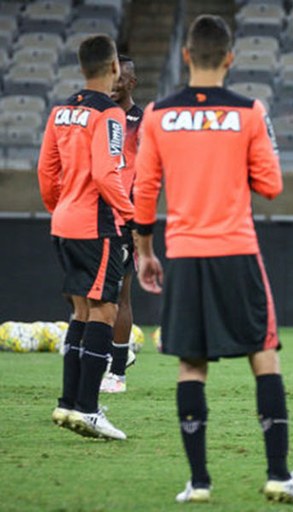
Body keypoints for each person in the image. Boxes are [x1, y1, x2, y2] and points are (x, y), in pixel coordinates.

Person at [133, 15, 293, 505]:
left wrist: (146, 252)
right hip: (236, 250)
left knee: (191, 364)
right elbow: (271, 185)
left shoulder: (157, 114)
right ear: (230, 58)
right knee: (264, 354)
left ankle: (198, 483)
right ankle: (278, 475)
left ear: (186, 56)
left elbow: (144, 191)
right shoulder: (249, 112)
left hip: (185, 253)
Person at [38, 34, 134, 440]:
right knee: (104, 312)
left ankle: (68, 404)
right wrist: (129, 216)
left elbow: (46, 171)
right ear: (113, 67)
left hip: (64, 222)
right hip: (97, 225)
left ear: (81, 68)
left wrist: (61, 208)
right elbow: (105, 173)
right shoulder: (109, 113)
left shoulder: (60, 111)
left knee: (81, 311)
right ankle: (89, 410)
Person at [100, 54, 143, 394]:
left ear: (132, 82)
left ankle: (116, 373)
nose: (114, 84)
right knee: (80, 294)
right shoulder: (100, 116)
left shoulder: (142, 123)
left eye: (120, 79)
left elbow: (149, 175)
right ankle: (116, 351)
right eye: (111, 77)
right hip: (94, 215)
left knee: (119, 295)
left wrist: (138, 219)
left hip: (125, 217)